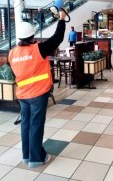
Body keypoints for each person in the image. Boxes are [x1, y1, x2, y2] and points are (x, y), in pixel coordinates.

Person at [9, 10, 67, 169]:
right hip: (37, 94)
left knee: (26, 125)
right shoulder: (38, 50)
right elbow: (57, 38)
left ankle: (26, 156)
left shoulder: (12, 54)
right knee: (36, 125)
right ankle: (36, 158)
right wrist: (62, 19)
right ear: (32, 36)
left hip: (22, 95)